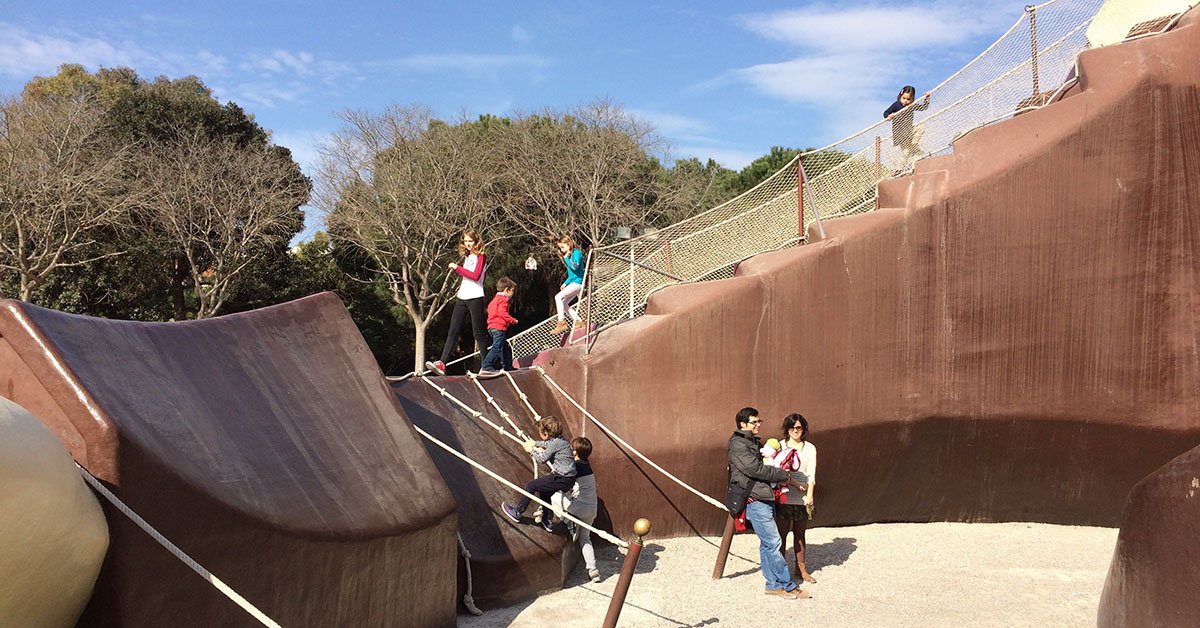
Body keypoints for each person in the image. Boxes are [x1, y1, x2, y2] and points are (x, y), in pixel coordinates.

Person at [727, 407, 810, 600]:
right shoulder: (738, 443)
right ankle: (787, 585)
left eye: (759, 421)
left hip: (763, 496)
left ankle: (773, 584)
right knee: (773, 542)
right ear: (743, 424)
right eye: (754, 422)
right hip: (754, 497)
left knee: (767, 544)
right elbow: (755, 469)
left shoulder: (752, 442)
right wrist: (783, 475)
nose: (758, 425)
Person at [426, 229, 490, 375]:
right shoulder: (467, 257)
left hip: (475, 297)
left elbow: (475, 276)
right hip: (462, 297)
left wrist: (457, 268)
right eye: (465, 241)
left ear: (476, 241)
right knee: (453, 330)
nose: (467, 244)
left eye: (470, 241)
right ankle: (442, 363)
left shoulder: (481, 256)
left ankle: (486, 365)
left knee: (478, 332)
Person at [501, 416, 577, 531]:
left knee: (531, 485)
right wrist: (535, 443)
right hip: (568, 478)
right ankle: (547, 520)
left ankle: (517, 512)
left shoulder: (555, 443)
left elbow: (542, 459)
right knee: (545, 492)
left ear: (546, 434)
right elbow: (548, 445)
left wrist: (530, 450)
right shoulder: (561, 440)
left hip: (561, 477)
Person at [549, 436, 601, 583]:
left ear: (575, 452)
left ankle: (568, 522)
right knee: (585, 538)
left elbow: (560, 472)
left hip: (580, 507)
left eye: (571, 449)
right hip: (592, 509)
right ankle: (593, 570)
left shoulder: (575, 466)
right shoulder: (586, 464)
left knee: (554, 496)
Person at [775, 413, 818, 584]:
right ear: (787, 429)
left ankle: (801, 568)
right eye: (792, 427)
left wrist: (809, 495)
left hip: (801, 498)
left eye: (798, 427)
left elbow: (811, 474)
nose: (795, 431)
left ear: (803, 429)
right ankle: (779, 570)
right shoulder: (779, 446)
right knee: (781, 534)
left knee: (800, 534)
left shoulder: (810, 448)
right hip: (784, 497)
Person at [479, 276, 518, 375]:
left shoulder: (494, 300)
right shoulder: (503, 300)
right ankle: (487, 365)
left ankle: (507, 366)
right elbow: (502, 313)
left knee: (504, 347)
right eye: (512, 291)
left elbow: (491, 311)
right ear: (507, 290)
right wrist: (512, 320)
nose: (513, 293)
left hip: (492, 327)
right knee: (497, 347)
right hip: (499, 327)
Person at [883, 85, 931, 164]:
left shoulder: (911, 105)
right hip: (900, 134)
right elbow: (885, 113)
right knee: (906, 151)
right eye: (903, 98)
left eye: (908, 99)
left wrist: (927, 98)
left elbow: (923, 107)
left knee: (920, 129)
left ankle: (912, 146)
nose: (905, 101)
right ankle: (899, 168)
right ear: (900, 96)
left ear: (912, 99)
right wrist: (889, 116)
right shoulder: (896, 105)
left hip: (909, 131)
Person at [551, 236, 585, 335]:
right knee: (564, 303)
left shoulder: (576, 253)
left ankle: (561, 322)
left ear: (568, 244)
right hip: (573, 282)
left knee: (558, 297)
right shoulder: (571, 256)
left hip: (577, 283)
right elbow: (572, 274)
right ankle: (579, 321)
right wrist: (565, 283)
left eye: (562, 247)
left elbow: (575, 267)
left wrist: (566, 259)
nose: (562, 250)